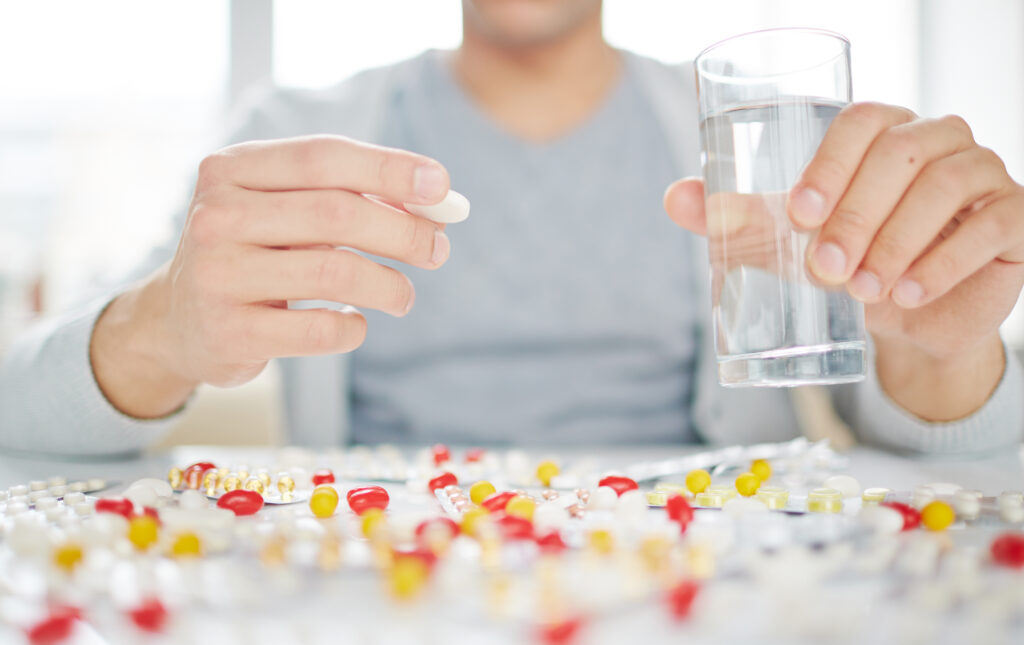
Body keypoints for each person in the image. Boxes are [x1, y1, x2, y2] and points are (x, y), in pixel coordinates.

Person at [1, 0, 1021, 456]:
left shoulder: (755, 137)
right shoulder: (288, 136)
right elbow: (23, 414)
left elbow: (926, 426)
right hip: (387, 593)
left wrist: (938, 353)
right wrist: (158, 331)